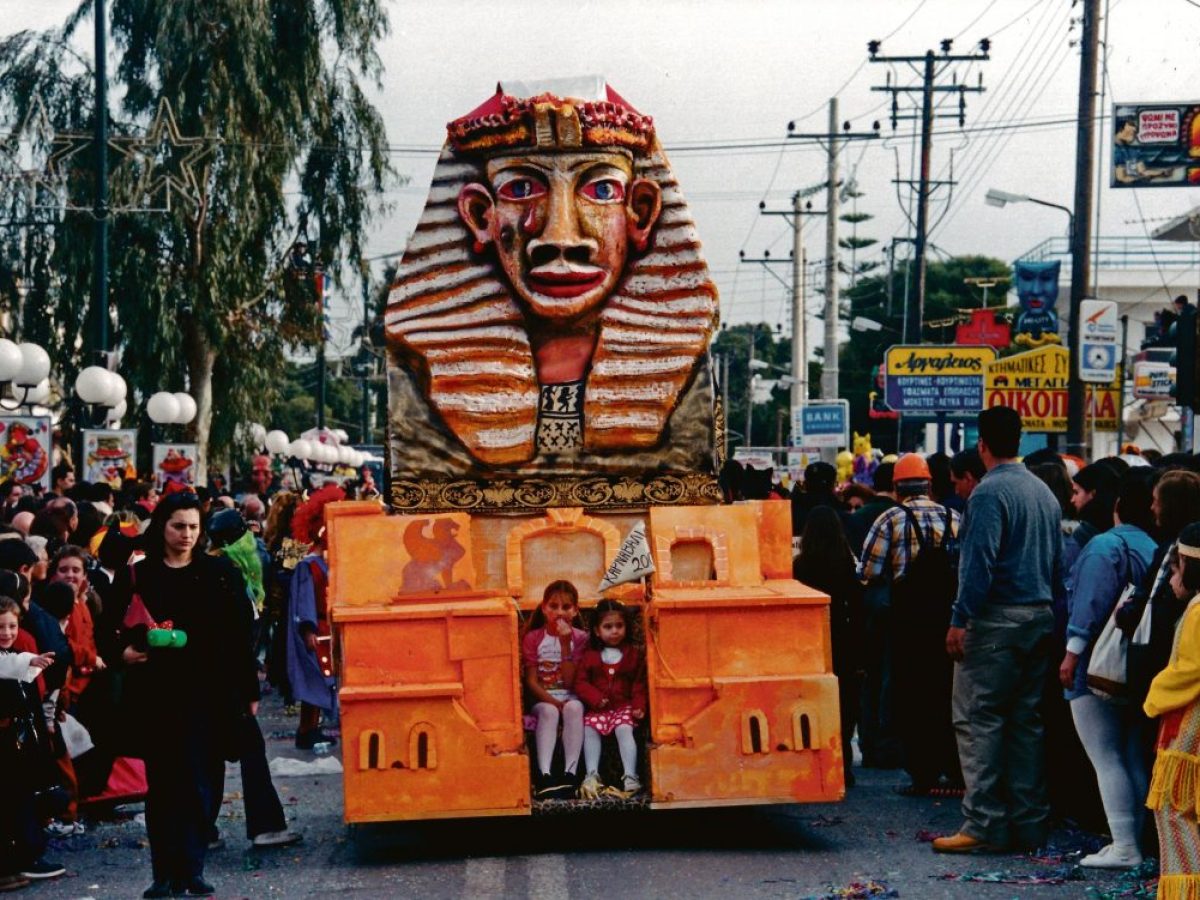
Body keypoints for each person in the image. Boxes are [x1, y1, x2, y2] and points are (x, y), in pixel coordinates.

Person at [386, 82, 718, 489]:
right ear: (479, 216)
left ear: (641, 214)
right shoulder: (417, 383)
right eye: (522, 189)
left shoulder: (686, 380)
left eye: (601, 190)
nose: (561, 238)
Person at [115, 491, 258, 898]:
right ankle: (164, 873)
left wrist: (247, 690)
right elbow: (113, 621)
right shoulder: (141, 573)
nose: (187, 534)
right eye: (179, 526)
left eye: (194, 527)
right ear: (163, 526)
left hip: (209, 692)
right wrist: (123, 652)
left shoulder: (220, 573)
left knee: (202, 781)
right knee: (162, 785)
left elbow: (239, 635)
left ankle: (192, 867)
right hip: (157, 691)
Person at [935, 405, 1061, 854]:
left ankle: (984, 823)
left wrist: (959, 619)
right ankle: (1029, 821)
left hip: (995, 621)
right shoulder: (1043, 492)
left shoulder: (989, 494)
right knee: (1025, 722)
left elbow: (977, 565)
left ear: (981, 445)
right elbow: (1056, 561)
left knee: (978, 719)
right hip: (1039, 614)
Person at [1059, 471, 1157, 868]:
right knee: (1133, 754)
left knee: (1105, 755)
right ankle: (1138, 839)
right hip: (1137, 663)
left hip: (1096, 665)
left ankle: (1124, 845)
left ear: (1118, 506)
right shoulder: (1152, 546)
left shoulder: (1105, 546)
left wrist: (1071, 654)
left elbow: (1088, 605)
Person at [858, 453, 961, 796]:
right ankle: (953, 766)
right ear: (929, 485)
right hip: (947, 620)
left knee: (912, 693)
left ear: (897, 488)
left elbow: (868, 572)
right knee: (947, 691)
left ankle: (923, 772)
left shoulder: (890, 519)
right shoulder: (953, 517)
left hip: (907, 623)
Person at [205, 508, 300, 849]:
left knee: (211, 755)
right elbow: (236, 639)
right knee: (247, 751)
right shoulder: (229, 572)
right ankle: (265, 824)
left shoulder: (209, 569)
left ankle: (202, 829)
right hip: (227, 683)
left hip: (209, 681)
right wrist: (250, 688)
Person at [1144, 527, 1200, 896]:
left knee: (1175, 811)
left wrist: (1154, 693)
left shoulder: (1198, 610)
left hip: (1190, 730)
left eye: (1177, 565)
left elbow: (1190, 669)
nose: (1173, 575)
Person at [794, 505, 864, 787]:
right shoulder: (846, 562)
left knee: (811, 702)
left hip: (810, 639)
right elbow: (857, 604)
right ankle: (843, 764)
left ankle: (816, 764)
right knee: (844, 703)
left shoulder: (800, 565)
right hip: (843, 637)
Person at [0, 596, 64, 890]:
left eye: (12, 626)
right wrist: (29, 661)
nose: (7, 632)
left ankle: (20, 856)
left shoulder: (13, 653)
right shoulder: (9, 658)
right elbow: (7, 665)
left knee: (17, 798)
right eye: (1, 627)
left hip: (16, 741)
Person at [286, 486, 343, 749]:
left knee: (327, 679)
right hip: (317, 629)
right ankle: (306, 729)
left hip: (330, 629)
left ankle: (314, 727)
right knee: (316, 679)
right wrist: (308, 630)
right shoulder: (307, 566)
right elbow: (304, 601)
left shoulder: (332, 563)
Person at [573, 599, 647, 799]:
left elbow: (639, 684)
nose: (614, 631)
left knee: (624, 729)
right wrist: (595, 698)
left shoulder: (633, 654)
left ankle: (631, 776)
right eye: (608, 627)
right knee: (589, 728)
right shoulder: (590, 656)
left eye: (619, 626)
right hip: (599, 709)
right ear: (597, 631)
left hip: (624, 707)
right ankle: (591, 775)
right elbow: (580, 683)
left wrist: (639, 706)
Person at [521, 579, 587, 799]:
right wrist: (555, 703)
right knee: (549, 713)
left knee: (575, 707)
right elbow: (531, 682)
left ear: (576, 610)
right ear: (544, 608)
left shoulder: (580, 638)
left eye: (566, 607)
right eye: (553, 606)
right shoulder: (533, 638)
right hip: (543, 699)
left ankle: (571, 774)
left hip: (571, 696)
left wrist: (566, 644)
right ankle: (544, 775)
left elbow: (570, 683)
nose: (560, 612)